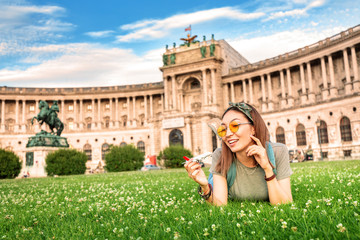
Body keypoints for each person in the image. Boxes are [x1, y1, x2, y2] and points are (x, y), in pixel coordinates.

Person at [185, 102, 293, 206]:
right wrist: (205, 187)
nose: (227, 134)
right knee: (213, 182)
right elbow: (220, 205)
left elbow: (284, 204)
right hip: (220, 174)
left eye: (235, 126)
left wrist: (267, 168)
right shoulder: (220, 155)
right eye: (223, 129)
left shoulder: (278, 151)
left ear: (253, 128)